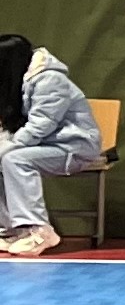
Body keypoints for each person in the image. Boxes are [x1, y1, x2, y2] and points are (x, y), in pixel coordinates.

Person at [0, 30, 103, 255]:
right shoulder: (17, 81)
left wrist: (6, 147)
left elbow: (41, 125)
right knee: (6, 156)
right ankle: (14, 230)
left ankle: (40, 231)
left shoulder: (50, 80)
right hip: (45, 145)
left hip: (75, 147)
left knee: (15, 159)